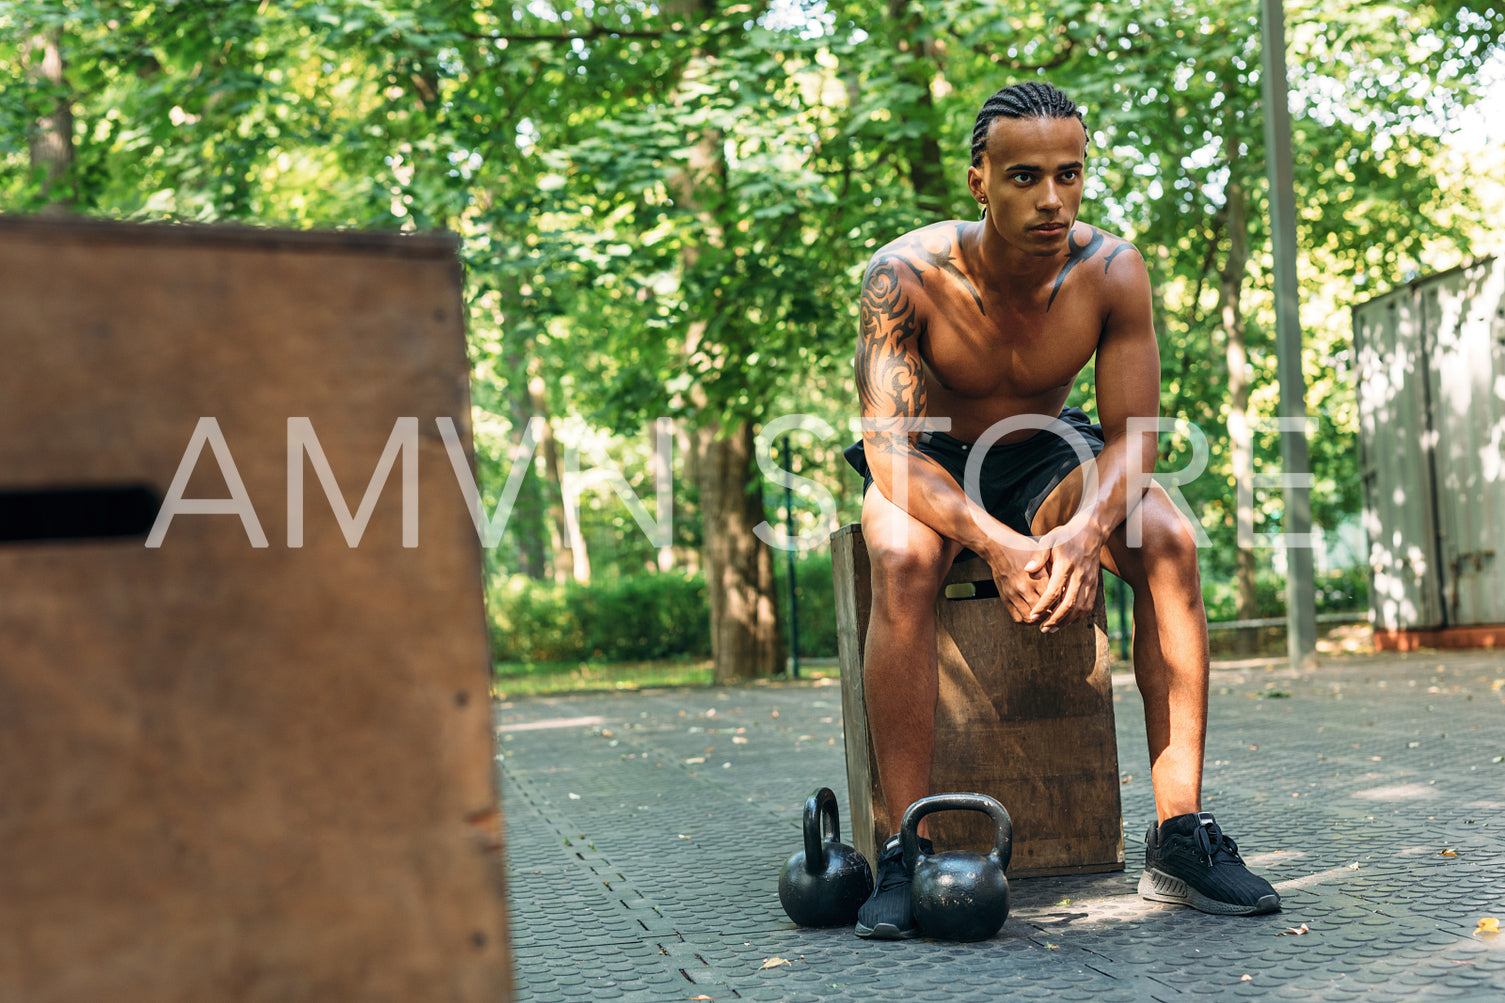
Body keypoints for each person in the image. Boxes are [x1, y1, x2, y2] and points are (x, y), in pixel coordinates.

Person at [844, 80, 1280, 940]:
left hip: (1048, 450)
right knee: (900, 560)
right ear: (979, 180)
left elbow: (1133, 437)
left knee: (1167, 540)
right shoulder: (904, 277)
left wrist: (1082, 532)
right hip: (927, 456)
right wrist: (998, 543)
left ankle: (1180, 835)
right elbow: (888, 446)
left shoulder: (1110, 270)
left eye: (1068, 174)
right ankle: (908, 847)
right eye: (1023, 177)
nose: (1051, 198)